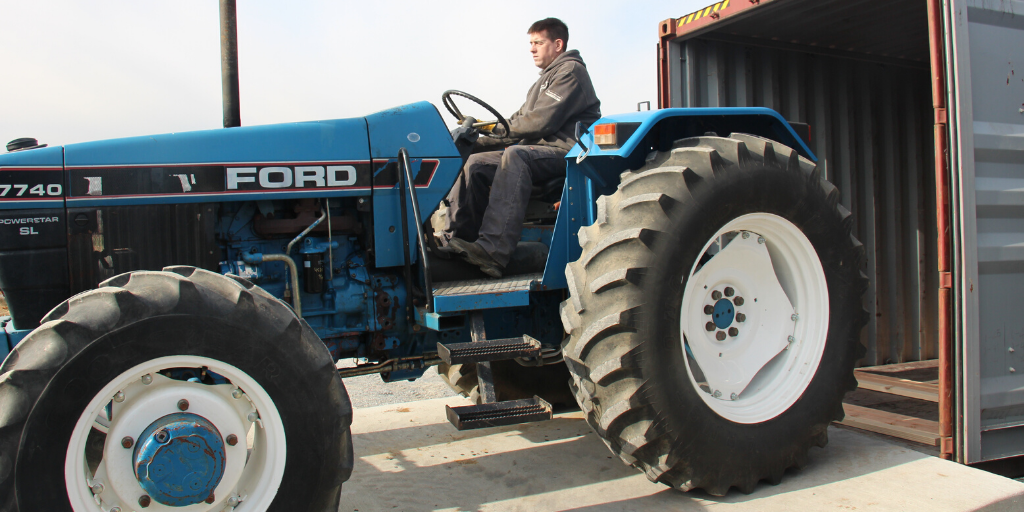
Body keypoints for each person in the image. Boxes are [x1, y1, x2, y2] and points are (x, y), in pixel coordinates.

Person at [440, 17, 601, 278]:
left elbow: (538, 123)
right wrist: (476, 138)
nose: (532, 49)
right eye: (531, 43)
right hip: (538, 150)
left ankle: (492, 251)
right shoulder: (544, 80)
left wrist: (493, 129)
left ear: (558, 44)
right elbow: (514, 123)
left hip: (567, 152)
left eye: (538, 42)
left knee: (516, 155)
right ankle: (458, 243)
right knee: (475, 163)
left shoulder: (570, 72)